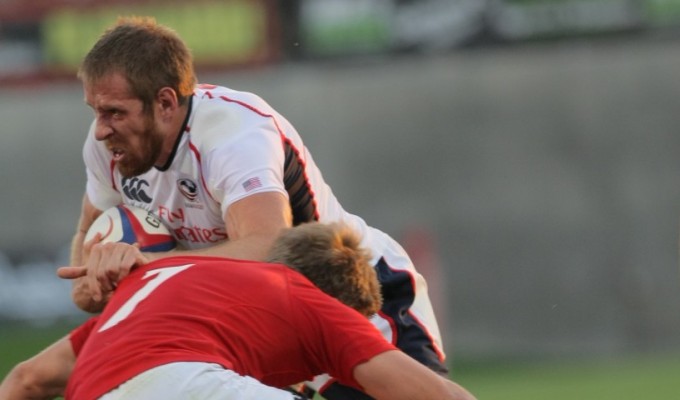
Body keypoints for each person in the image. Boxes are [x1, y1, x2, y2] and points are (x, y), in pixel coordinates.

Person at [70, 15, 448, 398]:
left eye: (115, 112)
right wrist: (100, 274)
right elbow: (85, 260)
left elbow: (266, 244)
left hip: (354, 296)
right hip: (263, 319)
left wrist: (148, 267)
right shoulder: (108, 147)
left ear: (166, 102)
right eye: (95, 111)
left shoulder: (232, 132)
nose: (100, 129)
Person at [0, 223, 477, 400]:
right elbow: (435, 396)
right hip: (186, 385)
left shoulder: (156, 284)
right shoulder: (300, 294)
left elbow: (27, 380)